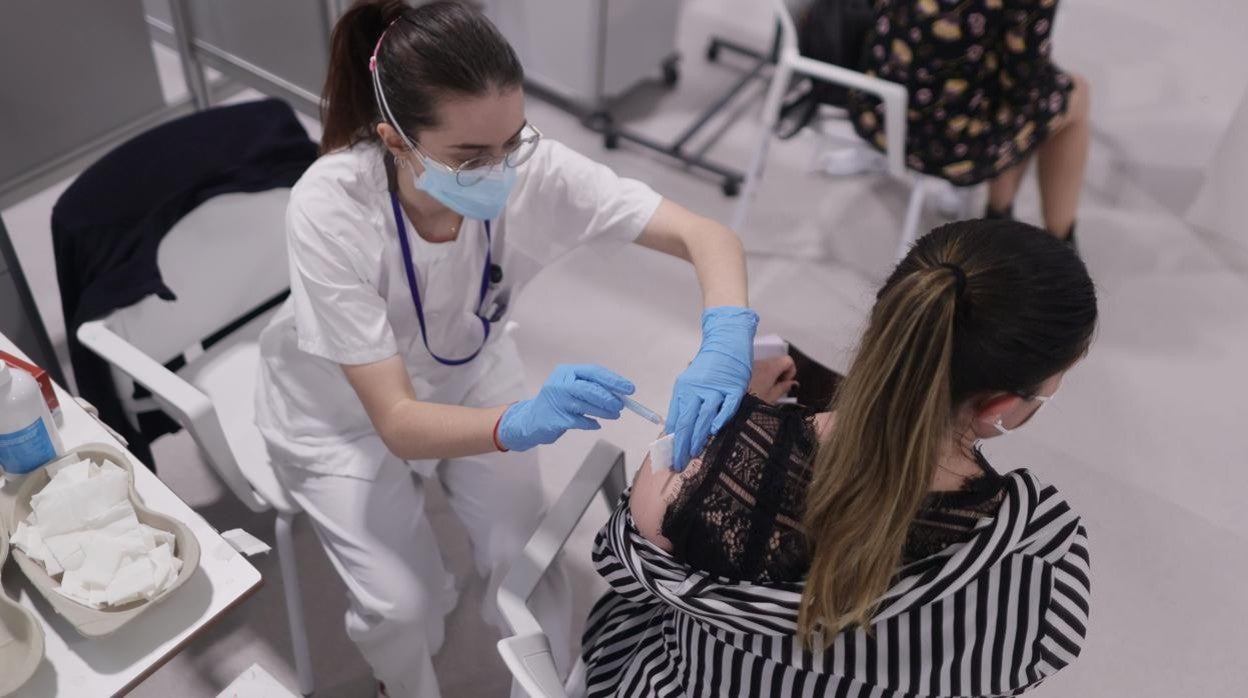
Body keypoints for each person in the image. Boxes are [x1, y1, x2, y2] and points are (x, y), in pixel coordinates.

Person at [253, 2, 758, 695]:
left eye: (512, 141)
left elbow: (707, 237)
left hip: (468, 365)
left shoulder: (529, 167)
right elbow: (398, 424)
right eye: (470, 157)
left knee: (528, 562)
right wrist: (517, 424)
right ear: (396, 142)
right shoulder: (330, 208)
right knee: (404, 608)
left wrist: (725, 340)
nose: (503, 169)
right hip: (342, 414)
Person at [583, 219, 1097, 696]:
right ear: (1000, 406)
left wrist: (742, 419)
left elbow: (625, 573)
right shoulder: (1037, 566)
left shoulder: (692, 473)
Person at [848, 0, 1091, 248]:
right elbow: (1026, 82)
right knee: (1076, 94)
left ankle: (1000, 216)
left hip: (873, 108)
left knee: (1012, 93)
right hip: (948, 148)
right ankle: (1060, 246)